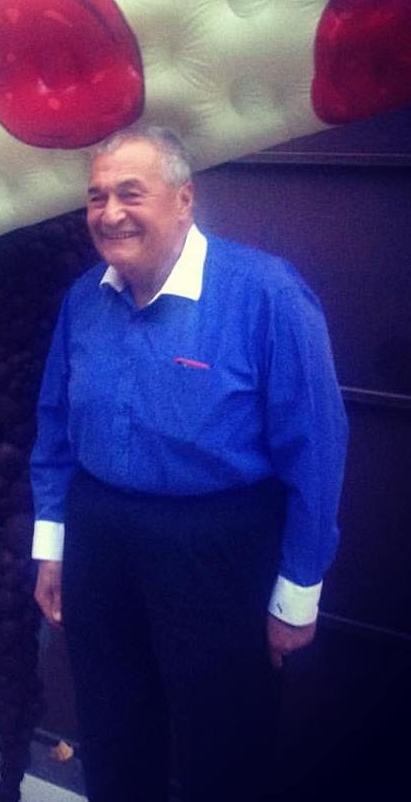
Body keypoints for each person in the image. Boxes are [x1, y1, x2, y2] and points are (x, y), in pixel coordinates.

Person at [30, 124, 347, 802]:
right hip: (101, 536)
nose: (110, 213)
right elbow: (54, 426)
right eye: (97, 196)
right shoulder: (84, 298)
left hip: (217, 547)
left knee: (225, 743)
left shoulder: (266, 295)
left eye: (130, 193)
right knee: (113, 732)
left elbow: (316, 452)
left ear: (183, 199)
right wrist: (52, 547)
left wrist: (298, 595)